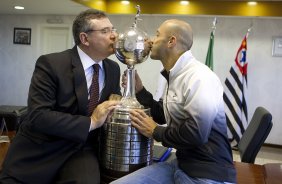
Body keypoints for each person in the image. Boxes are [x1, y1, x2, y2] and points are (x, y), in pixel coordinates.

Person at [0, 9, 121, 184]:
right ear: (84, 39)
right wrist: (92, 122)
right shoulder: (51, 64)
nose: (114, 36)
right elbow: (38, 116)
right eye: (105, 31)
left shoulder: (113, 69)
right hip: (41, 149)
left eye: (113, 29)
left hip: (81, 151)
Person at [112, 19, 236, 184]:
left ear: (171, 41)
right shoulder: (175, 74)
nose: (150, 41)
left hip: (206, 173)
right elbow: (165, 115)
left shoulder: (199, 77)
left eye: (156, 35)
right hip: (181, 164)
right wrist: (140, 90)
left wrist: (156, 131)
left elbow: (196, 134)